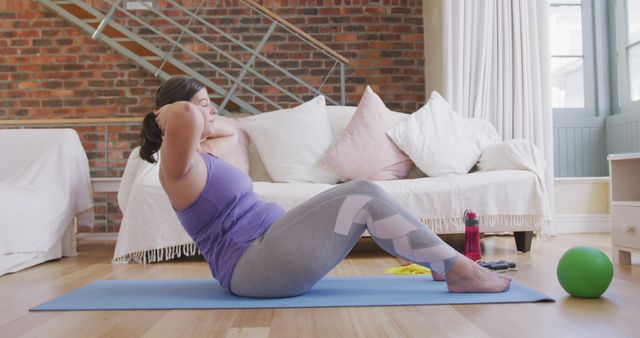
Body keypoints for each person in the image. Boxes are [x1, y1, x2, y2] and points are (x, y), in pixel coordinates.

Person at [138, 76, 511, 298]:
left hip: (269, 249)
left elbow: (231, 129)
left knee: (363, 195)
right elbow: (186, 117)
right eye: (205, 104)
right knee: (362, 193)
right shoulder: (177, 169)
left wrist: (199, 113)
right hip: (253, 266)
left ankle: (442, 263)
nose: (212, 110)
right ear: (173, 116)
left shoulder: (207, 153)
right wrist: (174, 112)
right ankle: (460, 270)